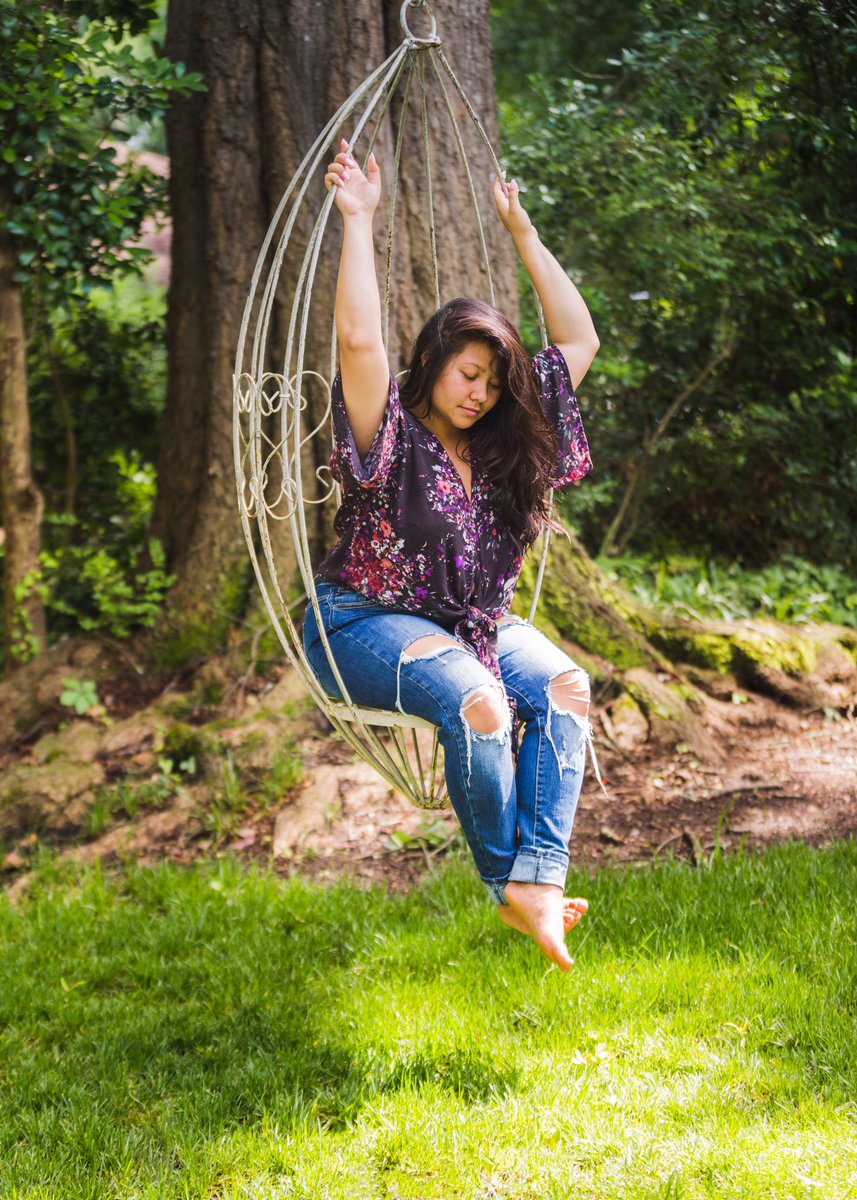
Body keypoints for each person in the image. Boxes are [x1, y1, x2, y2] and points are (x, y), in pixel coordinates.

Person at [303, 139, 601, 972]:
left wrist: (525, 238)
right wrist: (357, 219)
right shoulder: (387, 436)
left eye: (492, 383)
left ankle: (537, 883)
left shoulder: (508, 451)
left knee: (566, 688)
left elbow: (578, 342)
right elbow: (360, 343)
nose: (478, 393)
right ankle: (511, 883)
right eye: (466, 373)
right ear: (433, 363)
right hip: (358, 623)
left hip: (469, 625)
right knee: (478, 703)